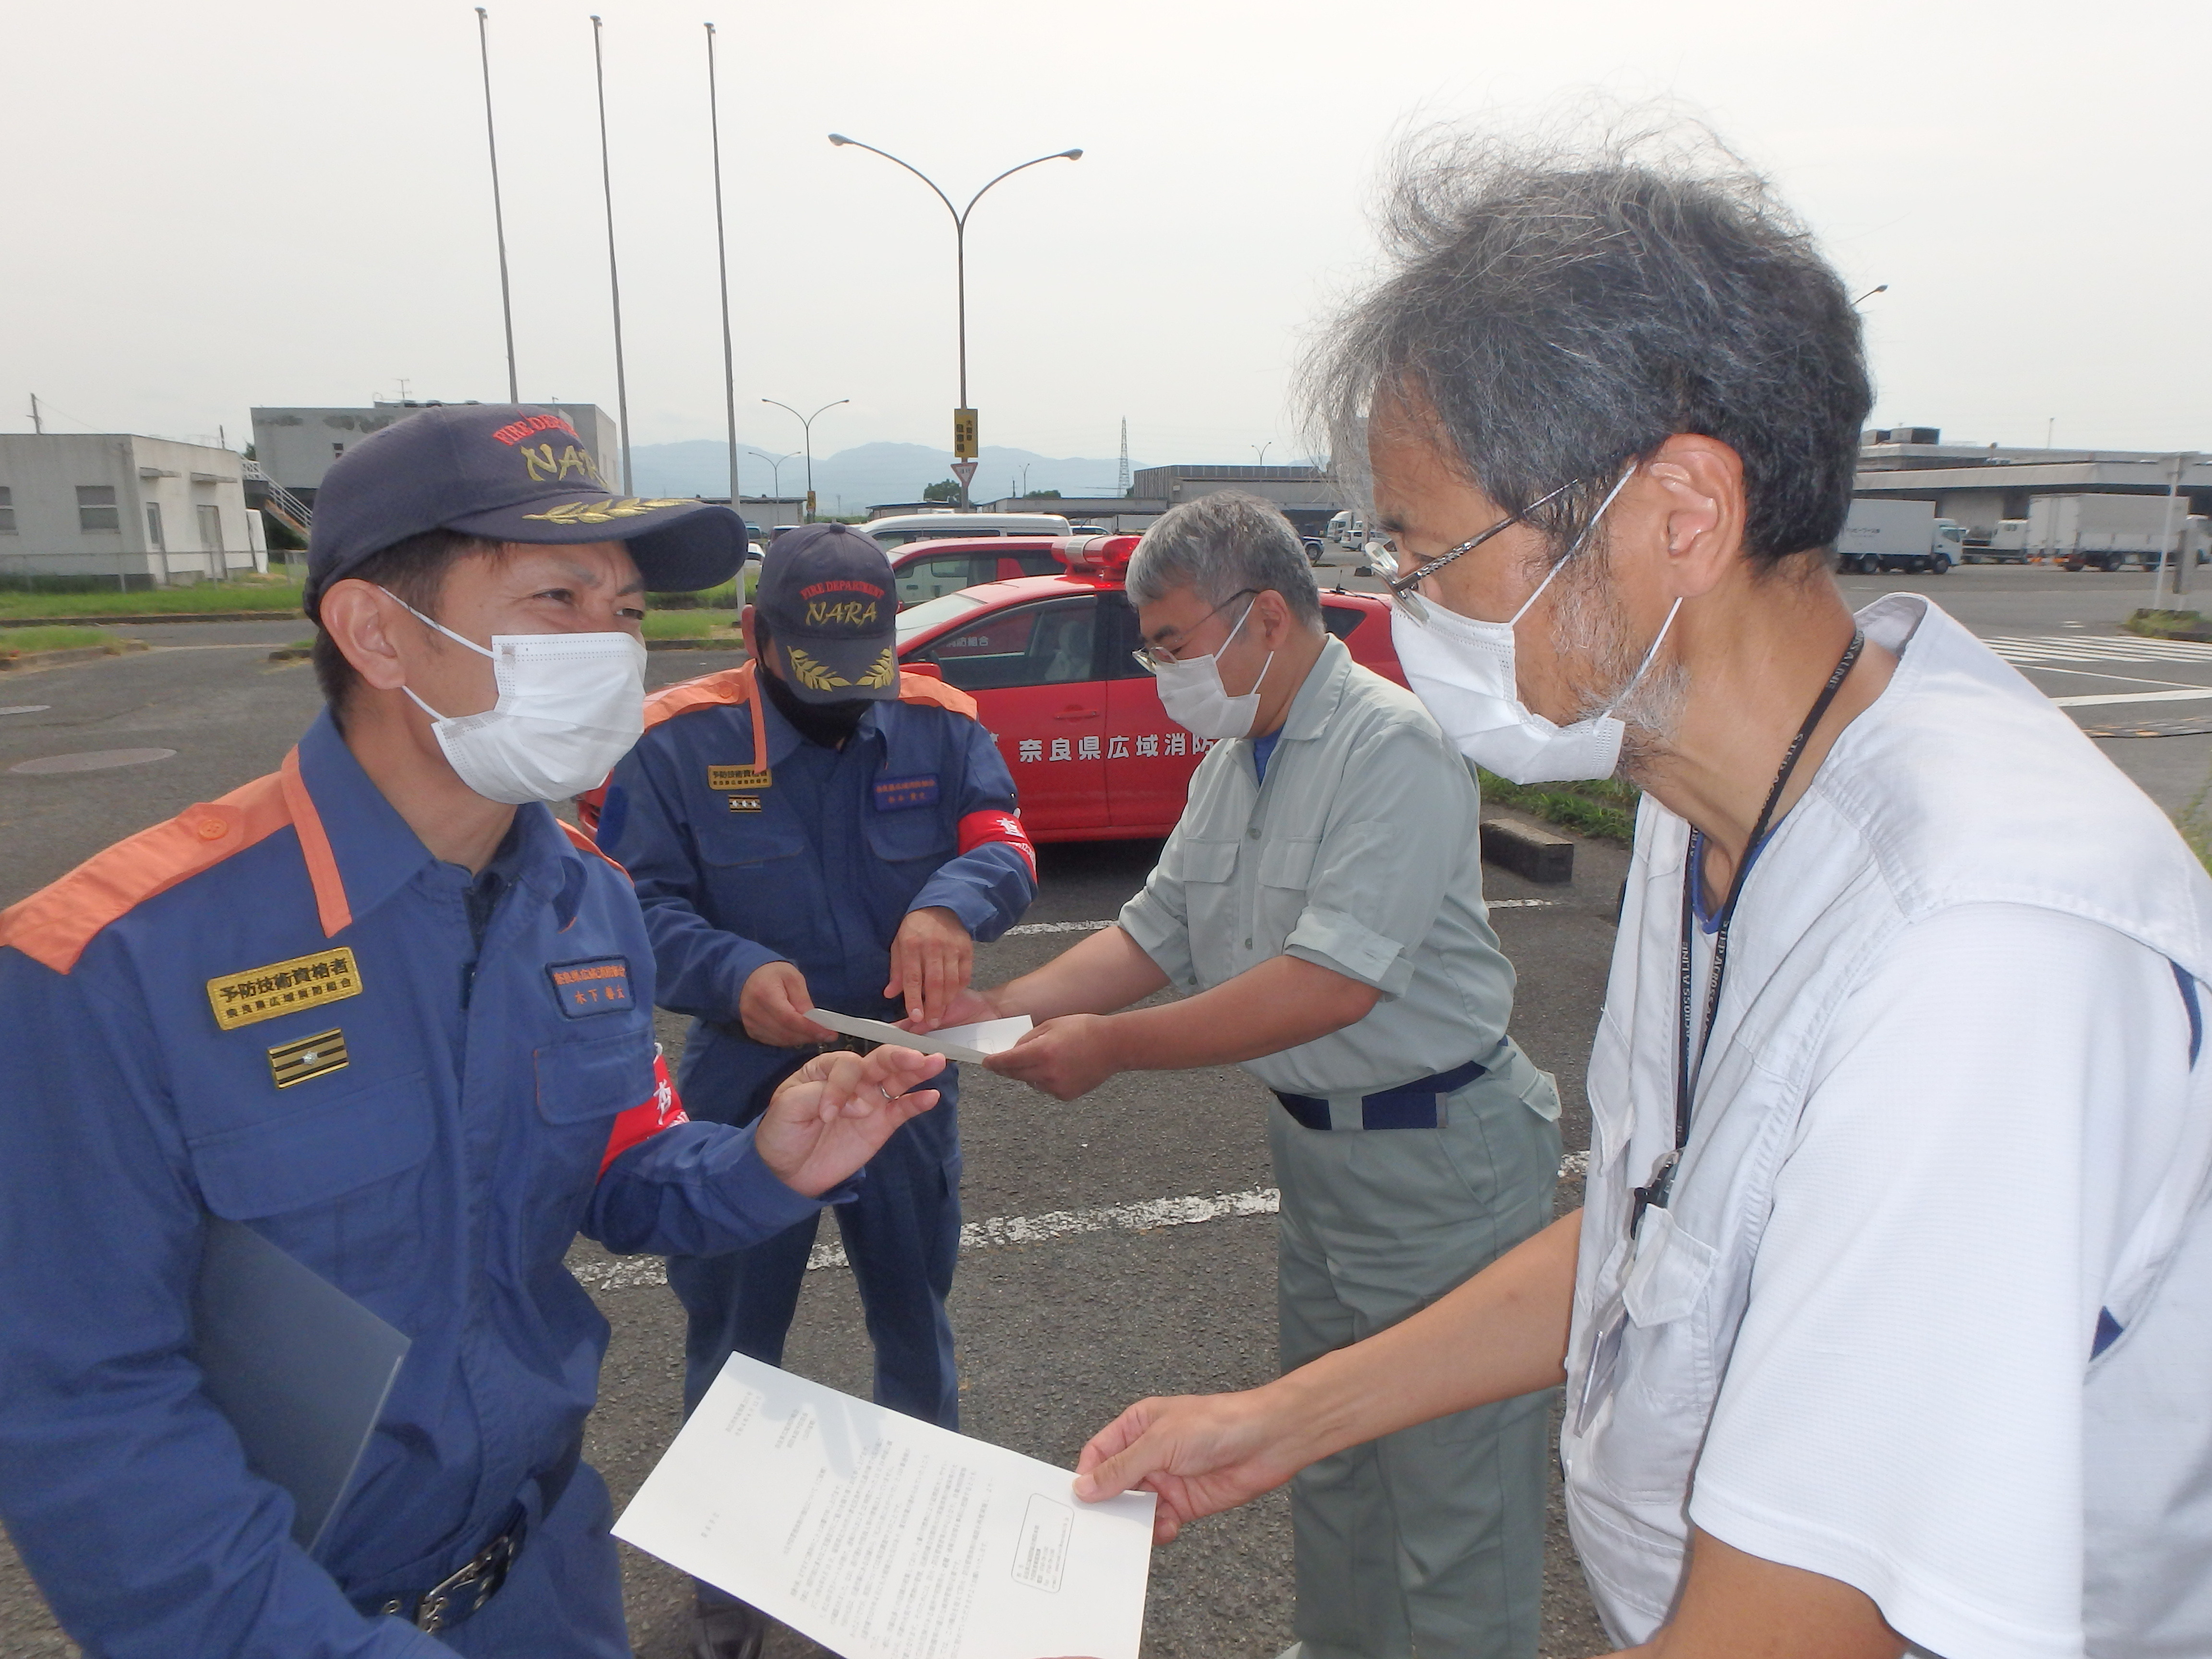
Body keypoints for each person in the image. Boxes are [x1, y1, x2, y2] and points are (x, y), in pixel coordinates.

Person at [1063, 129, 2212, 1659]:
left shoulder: (1981, 948)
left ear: (1681, 515)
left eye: (1430, 551)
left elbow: (1809, 1618)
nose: (1405, 613)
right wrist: (1280, 1421)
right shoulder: (1702, 786)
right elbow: (1653, 1237)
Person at [0, 404, 948, 1659]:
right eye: (558, 598)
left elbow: (620, 1167)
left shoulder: (589, 902)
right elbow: (86, 1417)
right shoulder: (105, 963)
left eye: (623, 612)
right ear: (378, 631)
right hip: (287, 1618)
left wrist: (761, 1165)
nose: (615, 647)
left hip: (545, 1582)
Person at [940, 491, 1562, 1659]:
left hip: (1439, 1154)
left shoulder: (1392, 746)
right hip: (1325, 1151)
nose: (1162, 670)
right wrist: (993, 1015)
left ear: (1262, 617)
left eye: (1172, 643)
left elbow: (1332, 984)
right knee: (1325, 1447)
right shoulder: (1236, 757)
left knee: (1450, 1491)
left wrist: (1116, 1047)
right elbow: (1153, 932)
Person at [589, 523, 1035, 1659]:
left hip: (898, 1077)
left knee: (914, 1322)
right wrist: (732, 975)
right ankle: (728, 1593)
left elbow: (1007, 844)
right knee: (733, 1342)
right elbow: (624, 904)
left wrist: (951, 904)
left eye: (864, 664)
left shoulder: (941, 721)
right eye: (815, 665)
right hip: (744, 1083)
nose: (846, 694)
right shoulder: (670, 747)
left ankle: (916, 1557)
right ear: (756, 636)